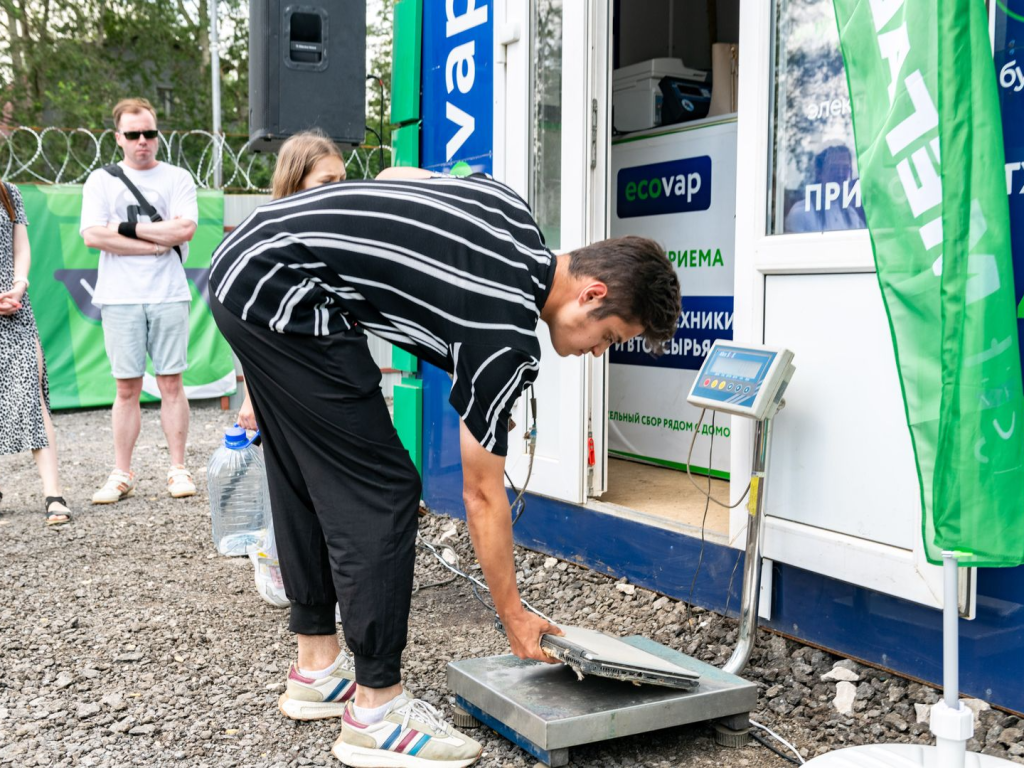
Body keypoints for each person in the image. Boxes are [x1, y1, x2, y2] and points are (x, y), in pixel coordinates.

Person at [209, 168, 681, 768]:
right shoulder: (506, 333)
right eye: (610, 336)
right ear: (590, 293)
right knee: (384, 489)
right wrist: (514, 616)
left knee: (304, 465)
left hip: (248, 264)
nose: (597, 352)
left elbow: (395, 176)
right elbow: (481, 494)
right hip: (283, 294)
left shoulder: (510, 211)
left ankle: (316, 669)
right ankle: (376, 711)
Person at [79, 97, 199, 504]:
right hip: (120, 296)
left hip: (167, 293)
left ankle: (178, 468)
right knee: (126, 387)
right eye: (133, 135)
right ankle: (121, 472)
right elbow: (94, 235)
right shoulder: (101, 180)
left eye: (149, 133)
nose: (143, 141)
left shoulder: (177, 178)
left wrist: (125, 229)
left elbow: (184, 230)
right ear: (119, 138)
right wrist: (152, 243)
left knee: (171, 382)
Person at [234, 129, 347, 431]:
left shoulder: (344, 233)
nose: (337, 189)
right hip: (288, 384)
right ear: (296, 182)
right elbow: (253, 330)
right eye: (326, 181)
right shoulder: (268, 246)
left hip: (340, 382)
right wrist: (251, 397)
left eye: (342, 180)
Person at [0, 181, 74, 526]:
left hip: (14, 306)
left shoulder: (8, 191)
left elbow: (21, 250)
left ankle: (53, 494)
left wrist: (19, 284)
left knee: (33, 390)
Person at [784, 144, 867, 233]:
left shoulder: (851, 215)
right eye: (834, 168)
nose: (841, 174)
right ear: (819, 173)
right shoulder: (800, 213)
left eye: (845, 168)